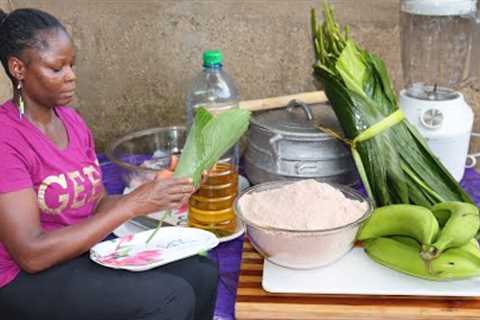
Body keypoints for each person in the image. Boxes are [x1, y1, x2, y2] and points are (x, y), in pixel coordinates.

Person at [0, 8, 218, 320]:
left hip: (80, 252)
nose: (71, 76)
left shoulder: (72, 121)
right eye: (56, 68)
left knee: (201, 272)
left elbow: (98, 203)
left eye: (72, 65)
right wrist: (132, 205)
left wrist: (160, 189)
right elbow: (31, 255)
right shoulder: (6, 138)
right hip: (24, 279)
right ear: (18, 68)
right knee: (170, 298)